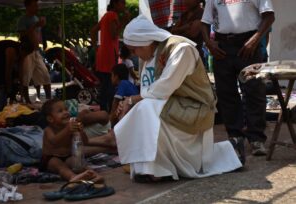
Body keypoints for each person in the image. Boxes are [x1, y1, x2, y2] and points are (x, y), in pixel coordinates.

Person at [83, 15, 242, 182]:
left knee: (145, 108)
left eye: (134, 49)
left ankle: (155, 169)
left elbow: (164, 88)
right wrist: (129, 107)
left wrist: (131, 101)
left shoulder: (181, 49)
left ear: (146, 42)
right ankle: (147, 165)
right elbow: (148, 92)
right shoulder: (148, 56)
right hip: (171, 107)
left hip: (195, 109)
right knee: (141, 111)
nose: (133, 54)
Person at [201, 0, 275, 158]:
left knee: (254, 91)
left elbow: (269, 17)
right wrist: (209, 43)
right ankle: (235, 136)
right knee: (226, 93)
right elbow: (205, 22)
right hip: (222, 46)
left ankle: (256, 138)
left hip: (249, 44)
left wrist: (255, 39)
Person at [41, 99, 102, 182]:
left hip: (67, 157)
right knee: (59, 165)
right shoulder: (48, 130)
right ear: (50, 119)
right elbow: (54, 142)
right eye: (60, 111)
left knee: (78, 163)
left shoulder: (70, 127)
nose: (65, 112)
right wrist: (67, 130)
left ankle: (93, 175)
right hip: (50, 159)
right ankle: (72, 177)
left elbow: (85, 142)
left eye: (66, 109)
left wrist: (81, 131)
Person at [90, 0, 131, 112]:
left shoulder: (107, 15)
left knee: (105, 85)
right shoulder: (112, 15)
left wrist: (96, 48)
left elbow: (93, 31)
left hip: (103, 54)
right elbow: (114, 34)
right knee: (109, 85)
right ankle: (107, 112)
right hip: (109, 55)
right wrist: (124, 21)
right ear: (116, 4)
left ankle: (105, 111)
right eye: (123, 3)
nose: (124, 6)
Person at [17, 0, 51, 104]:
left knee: (45, 75)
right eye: (35, 5)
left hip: (37, 50)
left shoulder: (36, 18)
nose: (37, 7)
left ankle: (49, 99)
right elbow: (22, 35)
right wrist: (35, 25)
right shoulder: (22, 20)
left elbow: (38, 34)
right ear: (28, 7)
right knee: (26, 76)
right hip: (27, 51)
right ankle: (27, 101)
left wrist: (43, 41)